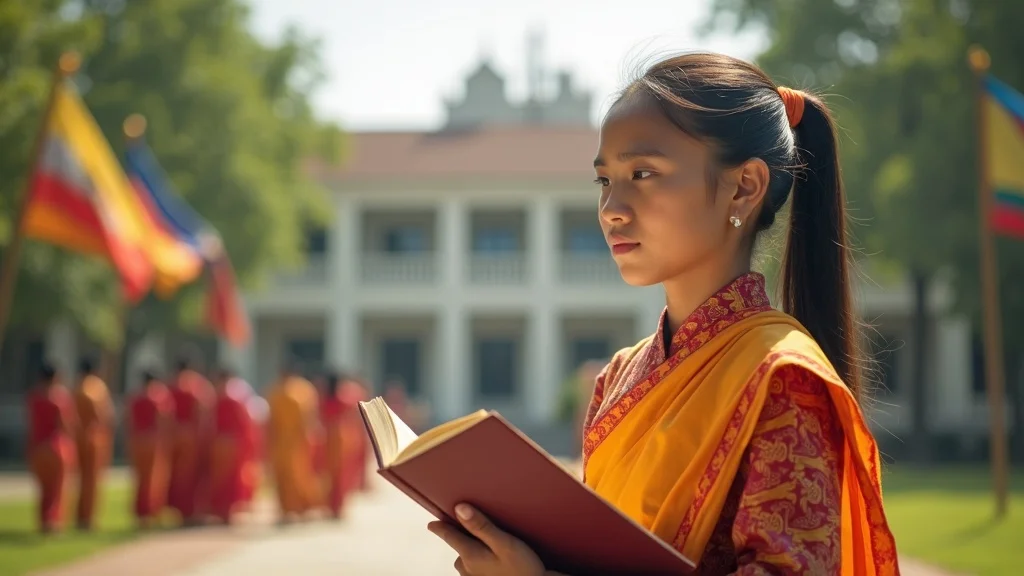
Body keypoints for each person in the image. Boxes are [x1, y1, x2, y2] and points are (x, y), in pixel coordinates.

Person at [426, 52, 899, 575]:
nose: (612, 208)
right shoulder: (618, 379)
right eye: (605, 180)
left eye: (643, 173)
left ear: (744, 186)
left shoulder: (784, 379)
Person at [267, 361, 322, 523]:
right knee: (289, 475)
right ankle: (293, 509)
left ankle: (296, 508)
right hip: (294, 440)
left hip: (294, 441)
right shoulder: (304, 390)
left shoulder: (284, 390)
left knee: (296, 475)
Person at [26, 363, 77, 533]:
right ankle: (53, 522)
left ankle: (43, 520)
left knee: (44, 488)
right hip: (56, 447)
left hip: (38, 446)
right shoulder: (59, 398)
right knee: (57, 488)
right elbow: (64, 424)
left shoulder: (34, 397)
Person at [167, 355, 214, 526]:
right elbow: (203, 411)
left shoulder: (171, 385)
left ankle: (179, 511)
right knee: (192, 475)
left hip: (174, 436)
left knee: (177, 474)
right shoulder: (198, 385)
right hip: (192, 436)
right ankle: (193, 511)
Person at [207, 368, 255, 524]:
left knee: (223, 477)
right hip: (229, 443)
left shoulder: (217, 400)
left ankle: (222, 509)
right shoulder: (231, 400)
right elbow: (243, 424)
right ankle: (224, 510)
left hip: (221, 442)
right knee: (226, 477)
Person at [72, 357, 114, 531]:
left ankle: (80, 516)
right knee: (92, 480)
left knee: (80, 480)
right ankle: (88, 518)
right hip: (95, 438)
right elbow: (104, 415)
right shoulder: (97, 387)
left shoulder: (77, 387)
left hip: (79, 437)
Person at [127, 371, 173, 529]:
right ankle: (151, 512)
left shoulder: (136, 397)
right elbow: (163, 419)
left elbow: (130, 420)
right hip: (152, 441)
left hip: (138, 440)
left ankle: (140, 513)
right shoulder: (157, 397)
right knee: (153, 478)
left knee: (140, 478)